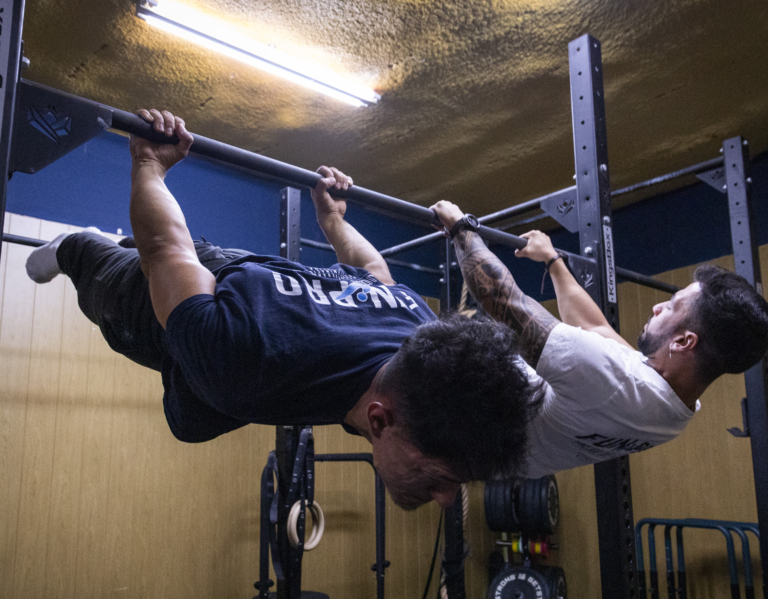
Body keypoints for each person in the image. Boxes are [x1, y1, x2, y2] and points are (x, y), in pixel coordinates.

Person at [24, 109, 541, 510]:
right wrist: (148, 164)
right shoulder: (243, 363)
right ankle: (79, 247)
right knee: (97, 270)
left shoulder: (422, 337)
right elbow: (166, 249)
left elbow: (375, 274)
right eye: (441, 480)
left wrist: (334, 220)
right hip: (165, 299)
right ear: (380, 420)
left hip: (254, 289)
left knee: (199, 414)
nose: (448, 499)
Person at [431, 200, 768, 477]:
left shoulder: (619, 383)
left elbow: (502, 301)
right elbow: (598, 331)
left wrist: (461, 227)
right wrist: (552, 260)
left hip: (451, 422)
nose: (657, 306)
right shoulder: (676, 404)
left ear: (684, 342)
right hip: (479, 443)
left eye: (672, 306)